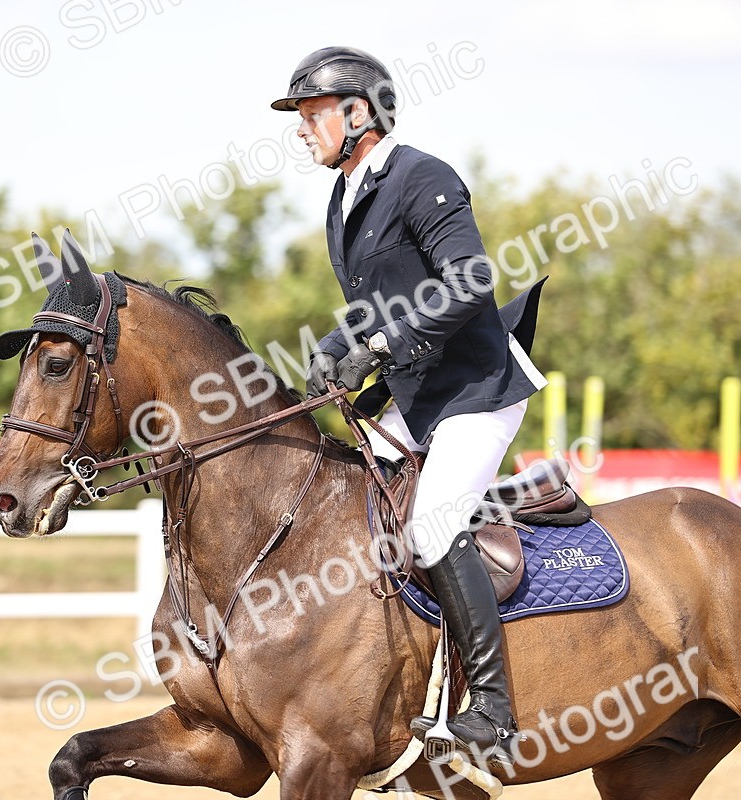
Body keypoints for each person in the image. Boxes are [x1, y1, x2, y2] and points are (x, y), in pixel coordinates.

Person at [271, 46, 548, 759]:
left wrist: (385, 348)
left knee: (430, 522)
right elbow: (374, 307)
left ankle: (491, 707)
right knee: (351, 513)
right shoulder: (343, 199)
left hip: (478, 388)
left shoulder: (423, 177)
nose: (302, 129)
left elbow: (468, 281)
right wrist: (338, 345)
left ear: (358, 112)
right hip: (420, 397)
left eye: (313, 114)